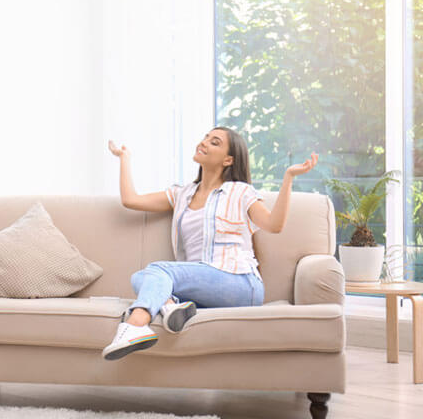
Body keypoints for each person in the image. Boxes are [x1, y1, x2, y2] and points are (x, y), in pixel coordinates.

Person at [102, 126, 318, 361]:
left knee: (158, 271)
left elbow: (274, 225)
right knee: (140, 278)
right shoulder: (182, 194)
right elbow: (131, 200)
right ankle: (170, 307)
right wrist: (124, 158)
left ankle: (135, 325)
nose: (204, 142)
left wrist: (288, 178)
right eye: (205, 137)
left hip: (240, 283)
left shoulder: (240, 192)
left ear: (228, 160)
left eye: (214, 142)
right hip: (202, 287)